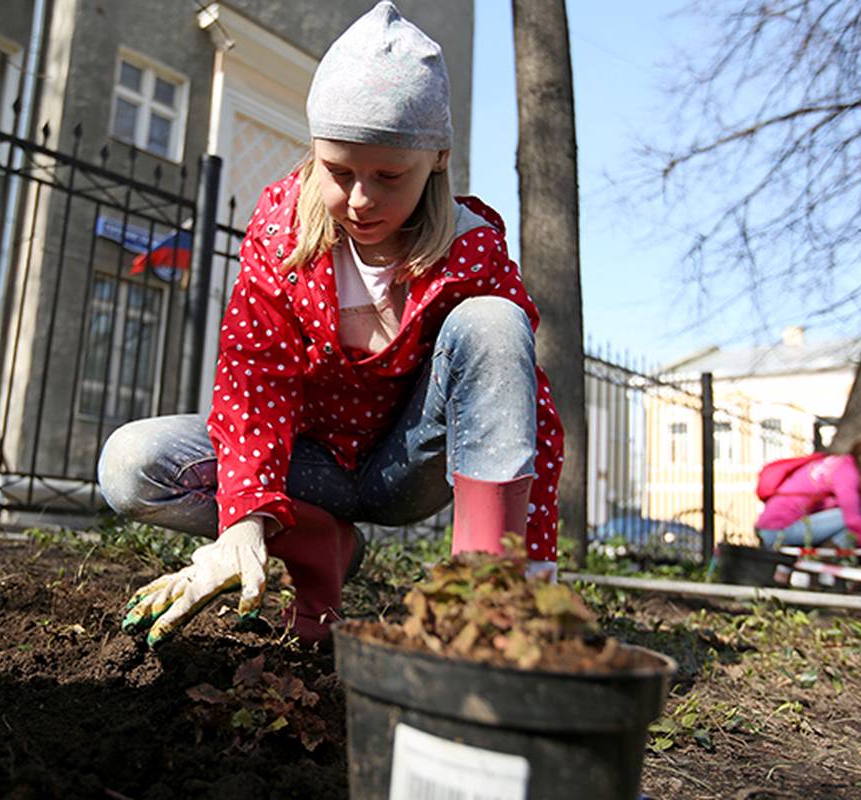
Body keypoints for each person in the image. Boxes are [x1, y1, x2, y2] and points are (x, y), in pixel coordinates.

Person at [98, 1, 564, 647]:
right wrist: (245, 520)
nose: (362, 199)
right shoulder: (281, 233)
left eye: (388, 176)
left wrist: (530, 561)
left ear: (435, 159)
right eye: (338, 172)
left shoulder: (470, 250)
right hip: (306, 465)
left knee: (493, 321)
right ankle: (320, 542)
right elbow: (254, 380)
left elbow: (524, 411)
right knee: (134, 463)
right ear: (314, 152)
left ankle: (484, 600)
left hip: (405, 468)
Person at [756, 432, 861, 551]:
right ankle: (829, 555)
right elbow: (853, 519)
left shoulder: (834, 463)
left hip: (770, 529)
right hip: (782, 531)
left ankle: (829, 553)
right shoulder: (846, 472)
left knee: (857, 518)